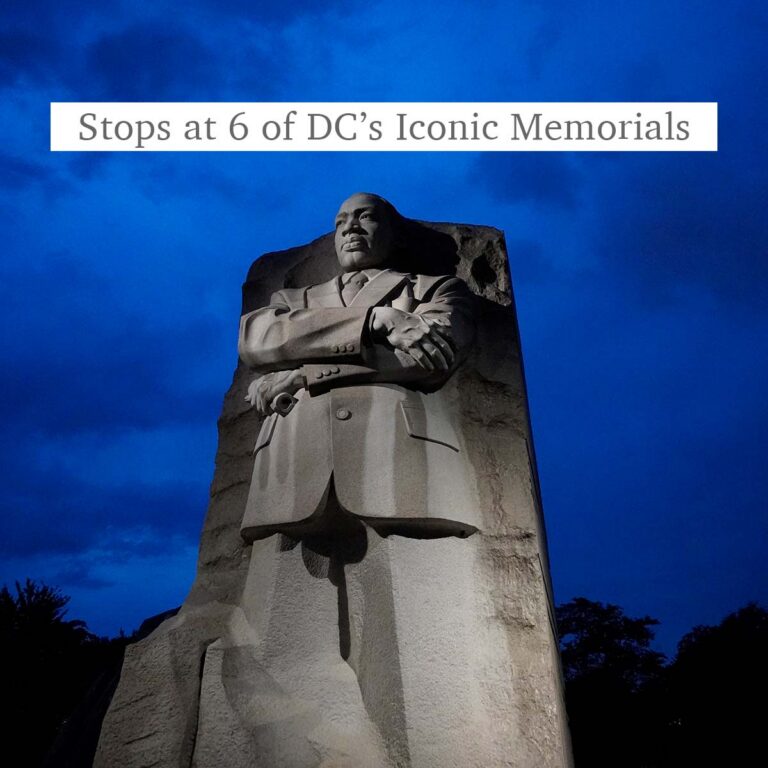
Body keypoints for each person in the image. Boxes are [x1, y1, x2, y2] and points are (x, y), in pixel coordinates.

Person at [238, 192, 480, 542]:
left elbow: (427, 359)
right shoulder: (293, 299)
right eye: (340, 222)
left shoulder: (436, 289)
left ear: (395, 235)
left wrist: (304, 375)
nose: (350, 227)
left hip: (401, 467)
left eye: (365, 217)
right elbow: (257, 339)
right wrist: (374, 320)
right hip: (288, 472)